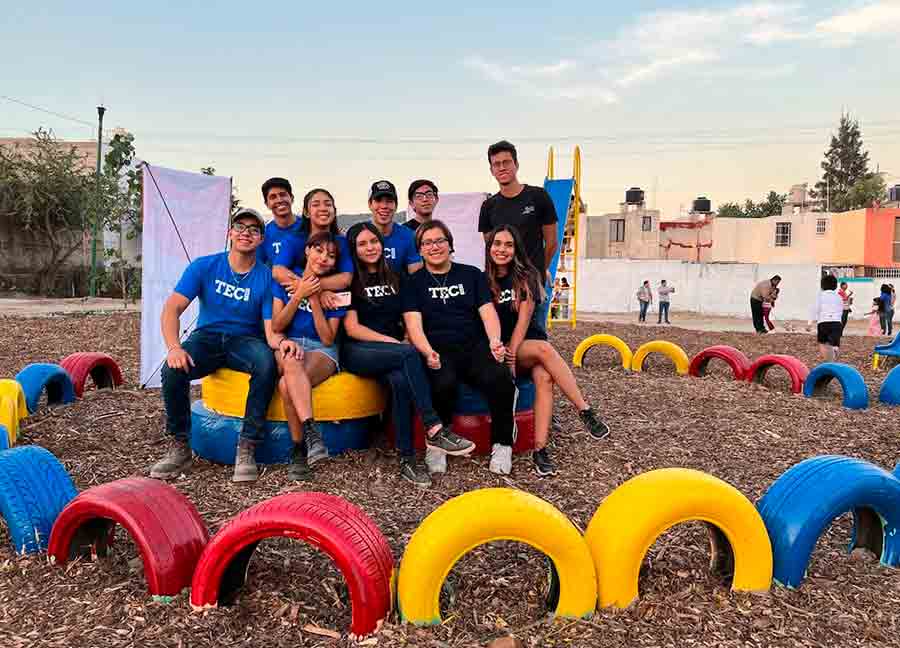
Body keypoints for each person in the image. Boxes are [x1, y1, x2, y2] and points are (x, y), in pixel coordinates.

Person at [151, 208, 282, 483]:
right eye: (240, 227)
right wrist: (174, 347)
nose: (246, 232)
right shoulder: (204, 266)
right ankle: (180, 446)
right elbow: (171, 309)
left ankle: (247, 446)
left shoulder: (266, 278)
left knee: (266, 363)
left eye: (254, 229)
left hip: (245, 341)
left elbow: (270, 331)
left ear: (260, 240)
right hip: (207, 338)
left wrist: (282, 345)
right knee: (172, 370)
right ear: (229, 233)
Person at [341, 222, 476, 487]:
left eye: (374, 241)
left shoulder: (395, 276)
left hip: (393, 350)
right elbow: (352, 328)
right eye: (362, 244)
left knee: (401, 383)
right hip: (358, 350)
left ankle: (407, 459)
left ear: (382, 244)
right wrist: (392, 342)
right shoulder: (350, 279)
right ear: (354, 249)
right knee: (407, 354)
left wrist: (401, 339)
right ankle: (434, 427)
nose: (370, 248)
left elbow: (406, 318)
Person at [484, 225, 610, 476]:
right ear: (489, 248)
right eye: (497, 244)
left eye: (508, 245)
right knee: (544, 349)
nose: (502, 249)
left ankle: (540, 449)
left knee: (544, 377)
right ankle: (584, 410)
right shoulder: (483, 280)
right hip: (504, 347)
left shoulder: (527, 275)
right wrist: (506, 356)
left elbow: (523, 320)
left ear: (516, 249)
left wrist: (513, 353)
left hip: (524, 343)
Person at [402, 220, 517, 475]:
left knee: (501, 379)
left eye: (440, 240)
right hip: (437, 350)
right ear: (420, 250)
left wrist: (495, 341)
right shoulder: (413, 282)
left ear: (450, 245)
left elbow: (487, 313)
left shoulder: (471, 275)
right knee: (443, 384)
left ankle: (502, 444)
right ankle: (437, 445)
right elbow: (413, 324)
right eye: (427, 242)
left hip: (473, 347)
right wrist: (426, 351)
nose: (434, 247)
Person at [271, 232, 346, 481]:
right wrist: (299, 293)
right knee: (291, 359)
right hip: (290, 345)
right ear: (307, 251)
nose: (324, 258)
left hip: (321, 350)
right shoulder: (286, 282)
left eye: (331, 255)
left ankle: (299, 450)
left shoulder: (337, 293)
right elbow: (277, 325)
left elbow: (327, 338)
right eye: (319, 250)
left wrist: (314, 297)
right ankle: (312, 432)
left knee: (285, 384)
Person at [478, 140, 558, 332]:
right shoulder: (489, 206)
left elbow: (552, 243)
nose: (502, 167)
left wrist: (538, 271)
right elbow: (492, 250)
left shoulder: (538, 197)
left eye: (506, 162)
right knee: (503, 341)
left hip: (531, 288)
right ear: (491, 170)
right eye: (496, 164)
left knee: (536, 341)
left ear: (516, 164)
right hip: (502, 291)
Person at [271, 188, 353, 309]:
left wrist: (308, 287)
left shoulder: (341, 242)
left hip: (331, 309)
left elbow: (346, 279)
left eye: (328, 204)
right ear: (306, 212)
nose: (323, 208)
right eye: (316, 204)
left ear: (334, 211)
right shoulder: (294, 239)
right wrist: (306, 289)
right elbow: (278, 271)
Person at [368, 180, 422, 275]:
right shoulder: (357, 234)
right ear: (370, 204)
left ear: (396, 206)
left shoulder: (408, 236)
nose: (384, 206)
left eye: (389, 201)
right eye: (378, 201)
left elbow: (416, 275)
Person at [257, 177, 303, 267]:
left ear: (292, 198)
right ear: (267, 204)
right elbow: (258, 268)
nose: (279, 200)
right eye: (273, 197)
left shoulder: (308, 227)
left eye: (283, 195)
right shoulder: (263, 235)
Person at [808, 273, 844, 362]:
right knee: (835, 343)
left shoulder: (820, 296)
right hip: (836, 323)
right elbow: (841, 310)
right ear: (835, 286)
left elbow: (815, 309)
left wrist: (810, 323)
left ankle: (828, 361)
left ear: (822, 285)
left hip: (823, 322)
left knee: (823, 343)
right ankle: (834, 354)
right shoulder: (839, 297)